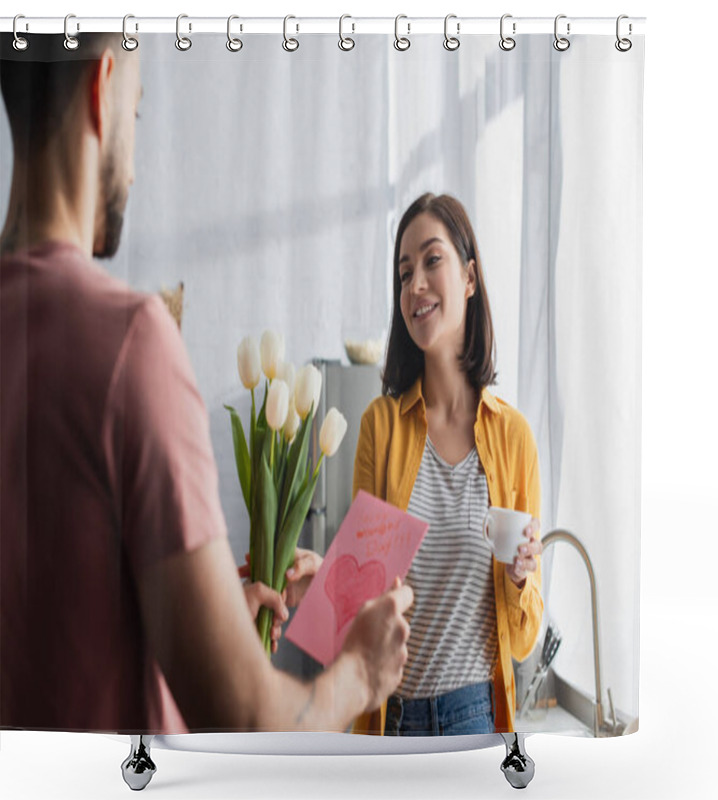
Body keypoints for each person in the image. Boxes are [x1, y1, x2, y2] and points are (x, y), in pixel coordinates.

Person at [0, 33, 412, 735]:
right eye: (138, 114)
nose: (133, 167)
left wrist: (202, 610)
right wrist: (358, 675)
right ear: (104, 89)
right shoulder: (130, 343)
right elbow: (249, 717)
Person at [351, 193, 544, 736]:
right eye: (403, 272)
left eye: (432, 261)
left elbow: (525, 638)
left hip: (476, 719)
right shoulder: (380, 426)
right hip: (391, 718)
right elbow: (359, 606)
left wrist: (518, 578)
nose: (415, 286)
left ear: (469, 278)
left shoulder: (513, 437)